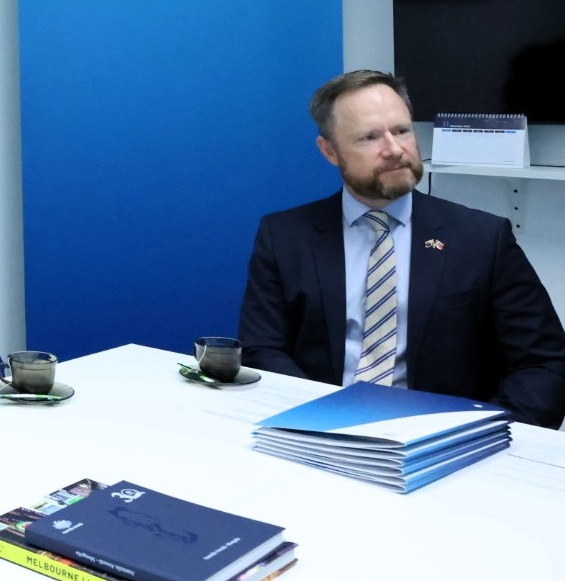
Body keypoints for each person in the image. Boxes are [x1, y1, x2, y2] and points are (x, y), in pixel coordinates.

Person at [238, 70, 565, 428]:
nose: (394, 149)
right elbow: (261, 349)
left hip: (446, 444)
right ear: (330, 150)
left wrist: (486, 436)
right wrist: (316, 422)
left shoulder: (483, 237)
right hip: (320, 430)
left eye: (402, 130)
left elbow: (544, 363)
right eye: (369, 137)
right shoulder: (284, 235)